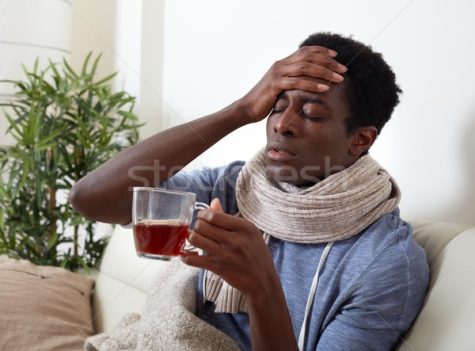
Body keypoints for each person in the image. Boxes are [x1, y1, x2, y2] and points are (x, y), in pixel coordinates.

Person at [69, 32, 429, 351]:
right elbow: (91, 199)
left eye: (311, 114)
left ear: (360, 139)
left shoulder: (384, 263)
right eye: (276, 107)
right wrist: (240, 110)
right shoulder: (235, 187)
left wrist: (262, 288)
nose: (282, 125)